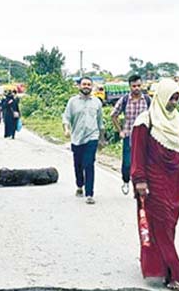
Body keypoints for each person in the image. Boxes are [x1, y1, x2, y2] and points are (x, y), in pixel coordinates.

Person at [131, 79, 179, 291]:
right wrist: (139, 180)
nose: (173, 103)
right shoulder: (145, 121)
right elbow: (137, 153)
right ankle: (174, 274)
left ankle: (160, 266)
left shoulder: (177, 121)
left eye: (177, 98)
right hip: (152, 182)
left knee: (169, 225)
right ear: (161, 97)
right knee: (162, 225)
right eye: (171, 98)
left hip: (174, 181)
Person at [63, 76, 105, 204]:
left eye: (88, 84)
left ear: (91, 87)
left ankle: (89, 194)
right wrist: (66, 129)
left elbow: (100, 122)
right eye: (84, 84)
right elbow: (66, 117)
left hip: (92, 137)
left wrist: (101, 139)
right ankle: (79, 185)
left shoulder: (97, 102)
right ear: (79, 86)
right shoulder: (72, 102)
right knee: (78, 165)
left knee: (89, 164)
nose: (86, 86)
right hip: (77, 138)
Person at [110, 74, 150, 194]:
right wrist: (120, 130)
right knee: (127, 163)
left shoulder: (147, 100)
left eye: (138, 85)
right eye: (134, 86)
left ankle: (141, 185)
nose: (136, 88)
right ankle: (126, 181)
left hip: (144, 137)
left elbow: (154, 115)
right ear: (130, 87)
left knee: (144, 162)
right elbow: (113, 115)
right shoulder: (124, 100)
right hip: (129, 135)